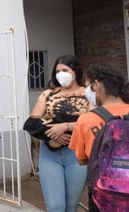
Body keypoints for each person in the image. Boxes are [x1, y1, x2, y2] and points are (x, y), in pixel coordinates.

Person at [24, 55, 89, 212]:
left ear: (75, 71)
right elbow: (32, 121)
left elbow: (93, 122)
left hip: (77, 154)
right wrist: (54, 133)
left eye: (65, 70)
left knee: (71, 206)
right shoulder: (48, 94)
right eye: (57, 71)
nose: (61, 74)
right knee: (55, 207)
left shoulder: (88, 93)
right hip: (50, 155)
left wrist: (65, 126)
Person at [69, 63, 129, 211]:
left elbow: (82, 159)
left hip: (103, 197)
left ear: (96, 85)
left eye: (88, 86)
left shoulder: (86, 120)